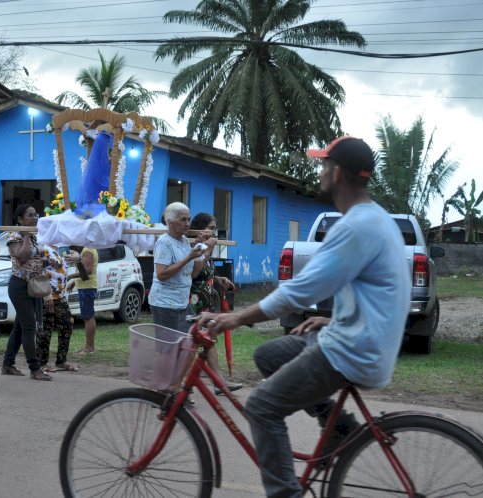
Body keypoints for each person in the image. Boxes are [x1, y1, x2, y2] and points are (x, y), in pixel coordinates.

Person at [199, 137, 410, 498]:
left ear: (337, 172)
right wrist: (332, 321)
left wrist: (235, 317)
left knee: (262, 407)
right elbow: (381, 296)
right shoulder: (375, 219)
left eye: (324, 164)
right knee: (268, 355)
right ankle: (337, 423)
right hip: (356, 338)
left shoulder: (356, 226)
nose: (321, 170)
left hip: (352, 351)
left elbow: (300, 292)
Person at [1, 204, 58, 381]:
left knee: (20, 327)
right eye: (30, 215)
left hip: (33, 286)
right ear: (20, 219)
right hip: (19, 286)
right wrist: (25, 235)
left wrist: (50, 262)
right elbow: (23, 256)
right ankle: (35, 368)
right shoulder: (15, 236)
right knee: (29, 326)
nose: (35, 218)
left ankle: (7, 364)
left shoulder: (35, 236)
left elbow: (35, 259)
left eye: (36, 215)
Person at [189, 212, 242, 395]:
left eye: (214, 228)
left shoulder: (205, 246)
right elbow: (194, 273)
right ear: (199, 229)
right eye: (211, 228)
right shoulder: (195, 246)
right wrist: (207, 250)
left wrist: (218, 279)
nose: (214, 232)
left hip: (206, 302)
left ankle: (219, 383)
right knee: (196, 343)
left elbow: (206, 272)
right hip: (194, 302)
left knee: (208, 340)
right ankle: (178, 385)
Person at [148, 202, 209, 336]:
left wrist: (200, 247)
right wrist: (188, 257)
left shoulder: (184, 241)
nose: (188, 223)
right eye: (183, 220)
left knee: (190, 341)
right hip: (165, 304)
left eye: (189, 219)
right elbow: (161, 274)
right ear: (170, 222)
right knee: (169, 348)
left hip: (181, 303)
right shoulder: (164, 242)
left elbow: (194, 273)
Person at [37, 245, 79, 372]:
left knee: (67, 324)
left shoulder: (61, 247)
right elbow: (37, 269)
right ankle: (41, 363)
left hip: (60, 295)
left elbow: (74, 254)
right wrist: (45, 293)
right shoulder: (42, 246)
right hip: (47, 295)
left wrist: (77, 255)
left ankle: (61, 361)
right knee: (45, 329)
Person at [67, 246, 98, 354]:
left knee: (88, 317)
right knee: (89, 316)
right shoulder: (87, 250)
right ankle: (89, 346)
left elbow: (87, 271)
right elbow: (84, 272)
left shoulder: (88, 250)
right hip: (86, 287)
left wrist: (70, 276)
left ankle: (89, 348)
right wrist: (75, 281)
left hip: (87, 288)